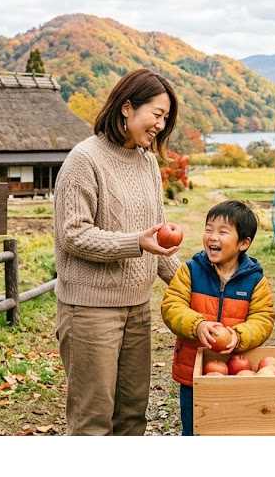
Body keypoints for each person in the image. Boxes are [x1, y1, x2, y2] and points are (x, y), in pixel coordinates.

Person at [52, 68, 182, 435]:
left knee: (132, 415)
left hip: (138, 308)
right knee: (93, 421)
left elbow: (156, 235)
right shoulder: (84, 159)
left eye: (166, 119)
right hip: (90, 311)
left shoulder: (147, 162)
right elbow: (72, 235)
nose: (161, 125)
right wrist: (134, 242)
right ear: (127, 107)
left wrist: (191, 284)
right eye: (157, 114)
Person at [160, 200, 274, 436]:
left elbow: (263, 319)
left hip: (235, 372)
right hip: (194, 371)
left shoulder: (254, 280)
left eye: (222, 232)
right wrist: (197, 324)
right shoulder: (190, 271)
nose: (212, 237)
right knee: (194, 427)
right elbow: (172, 305)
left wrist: (238, 336)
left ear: (243, 243)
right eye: (209, 229)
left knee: (232, 427)